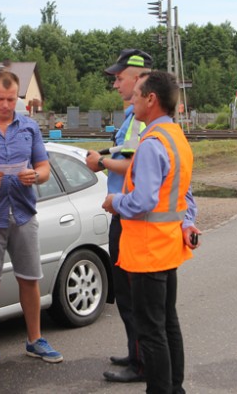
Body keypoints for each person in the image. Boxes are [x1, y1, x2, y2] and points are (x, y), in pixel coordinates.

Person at [102, 70, 201, 394]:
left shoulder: (151, 144)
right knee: (168, 324)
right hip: (166, 247)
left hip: (147, 252)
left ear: (151, 100)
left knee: (151, 332)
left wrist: (115, 201)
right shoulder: (177, 139)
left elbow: (143, 200)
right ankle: (175, 388)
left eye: (136, 94)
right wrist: (187, 223)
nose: (131, 100)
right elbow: (182, 196)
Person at [0, 70, 63, 375]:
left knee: (30, 279)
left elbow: (43, 167)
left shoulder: (29, 127)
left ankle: (35, 340)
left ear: (17, 97)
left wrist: (35, 175)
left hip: (23, 214)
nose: (6, 105)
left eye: (11, 99)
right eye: (1, 98)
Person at [85, 48, 151, 383]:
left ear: (139, 78)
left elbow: (132, 163)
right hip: (124, 212)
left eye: (119, 78)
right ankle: (135, 351)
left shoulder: (139, 121)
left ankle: (141, 363)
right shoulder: (130, 117)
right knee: (127, 294)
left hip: (129, 214)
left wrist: (100, 162)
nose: (115, 85)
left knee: (130, 293)